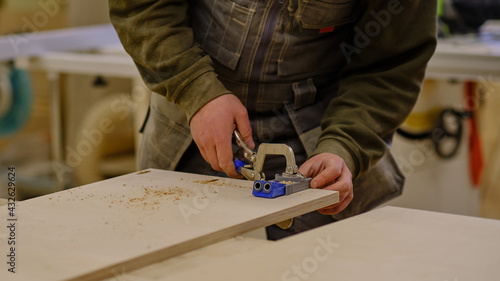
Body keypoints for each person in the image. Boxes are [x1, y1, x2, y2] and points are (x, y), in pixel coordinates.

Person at [109, 0, 437, 240]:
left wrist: (345, 146)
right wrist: (196, 90)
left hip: (315, 143)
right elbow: (141, 7)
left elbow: (389, 67)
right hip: (187, 129)